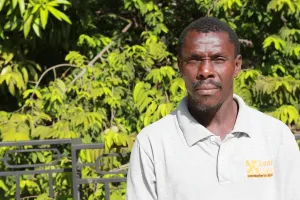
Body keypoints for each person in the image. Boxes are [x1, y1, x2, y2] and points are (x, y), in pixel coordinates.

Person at [126, 17, 300, 200]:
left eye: (218, 59)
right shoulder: (153, 143)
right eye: (194, 60)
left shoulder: (275, 136)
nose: (205, 70)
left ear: (237, 66)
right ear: (180, 66)